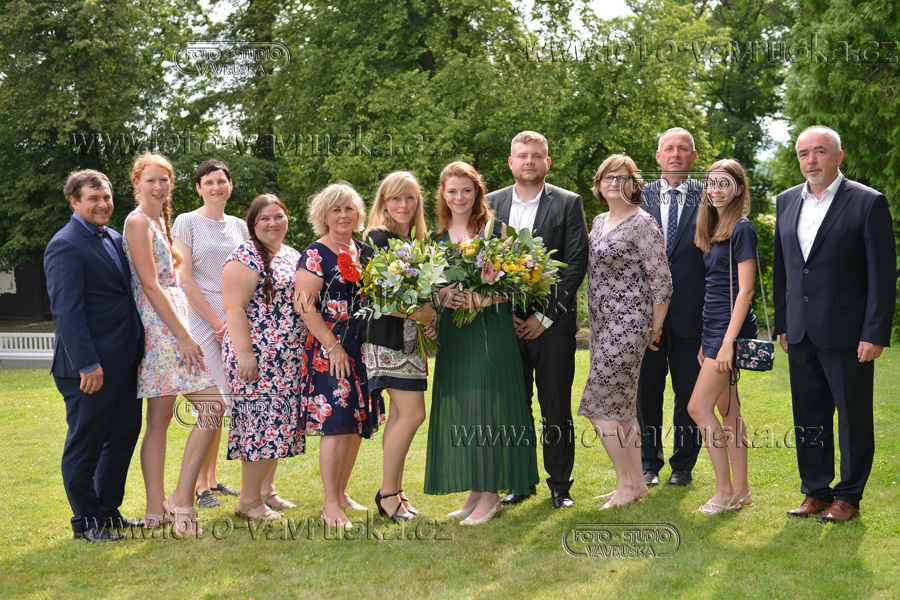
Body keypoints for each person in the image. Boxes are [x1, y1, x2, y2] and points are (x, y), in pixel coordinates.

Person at [774, 125, 896, 522]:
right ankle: (816, 491)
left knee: (853, 416)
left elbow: (882, 274)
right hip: (800, 331)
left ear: (838, 156)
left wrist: (874, 332)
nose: (811, 160)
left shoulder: (867, 202)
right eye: (803, 153)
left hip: (848, 331)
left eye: (820, 152)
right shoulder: (786, 201)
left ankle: (849, 496)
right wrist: (783, 323)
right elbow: (783, 269)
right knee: (808, 415)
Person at [424, 161, 539, 525]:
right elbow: (430, 287)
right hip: (455, 335)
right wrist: (442, 297)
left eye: (466, 190)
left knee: (483, 411)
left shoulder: (496, 231)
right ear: (443, 195)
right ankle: (477, 489)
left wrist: (483, 299)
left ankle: (491, 496)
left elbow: (518, 282)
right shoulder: (436, 239)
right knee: (464, 409)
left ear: (477, 193)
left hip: (489, 333)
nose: (459, 197)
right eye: (452, 191)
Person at [123, 152, 226, 535]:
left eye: (163, 180)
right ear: (137, 183)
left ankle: (160, 509)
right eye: (150, 180)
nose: (158, 186)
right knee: (211, 406)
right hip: (162, 330)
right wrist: (184, 336)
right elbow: (150, 286)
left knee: (161, 419)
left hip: (170, 322)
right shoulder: (138, 222)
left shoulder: (159, 221)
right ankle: (179, 502)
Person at [486, 131, 588, 508]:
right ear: (511, 162)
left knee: (555, 406)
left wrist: (544, 316)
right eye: (522, 155)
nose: (529, 161)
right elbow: (482, 260)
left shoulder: (568, 202)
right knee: (513, 406)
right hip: (504, 322)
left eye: (536, 155)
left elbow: (575, 264)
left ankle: (560, 486)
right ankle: (520, 481)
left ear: (547, 162)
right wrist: (503, 310)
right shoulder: (491, 203)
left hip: (553, 326)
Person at [44, 170, 145, 542]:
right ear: (75, 202)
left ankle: (107, 511)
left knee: (122, 436)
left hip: (124, 363)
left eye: (107, 197)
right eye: (93, 199)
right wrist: (87, 363)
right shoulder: (65, 244)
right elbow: (67, 312)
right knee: (85, 443)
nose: (103, 204)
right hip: (88, 368)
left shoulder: (115, 238)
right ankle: (85, 522)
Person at [579, 154, 672, 508]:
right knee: (622, 408)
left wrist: (654, 328)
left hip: (630, 324)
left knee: (598, 406)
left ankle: (624, 485)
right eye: (608, 177)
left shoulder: (642, 223)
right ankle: (637, 484)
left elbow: (662, 281)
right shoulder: (599, 221)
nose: (614, 183)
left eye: (623, 178)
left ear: (634, 185)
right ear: (599, 184)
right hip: (602, 325)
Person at [296, 182, 384, 528]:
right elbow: (304, 306)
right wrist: (333, 347)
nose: (344, 215)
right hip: (330, 349)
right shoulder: (315, 254)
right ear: (324, 215)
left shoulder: (365, 251)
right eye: (336, 209)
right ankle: (330, 503)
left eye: (349, 208)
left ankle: (342, 492)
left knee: (354, 424)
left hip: (362, 348)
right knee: (335, 425)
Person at [222, 194, 306, 521]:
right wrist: (245, 355)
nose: (273, 223)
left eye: (278, 216)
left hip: (286, 358)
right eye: (264, 219)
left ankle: (266, 491)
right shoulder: (245, 256)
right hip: (256, 357)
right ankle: (248, 502)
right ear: (253, 225)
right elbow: (234, 308)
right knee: (261, 426)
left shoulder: (292, 254)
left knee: (278, 425)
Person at [360, 171, 436, 521]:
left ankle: (396, 492)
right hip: (387, 339)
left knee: (402, 416)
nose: (403, 205)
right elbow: (375, 296)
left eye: (409, 198)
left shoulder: (416, 240)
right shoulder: (377, 238)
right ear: (384, 202)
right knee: (413, 414)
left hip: (410, 340)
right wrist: (419, 313)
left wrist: (428, 319)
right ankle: (388, 493)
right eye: (395, 198)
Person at [173, 159, 248, 508]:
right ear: (198, 188)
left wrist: (236, 320)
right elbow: (184, 278)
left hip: (234, 317)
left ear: (230, 185)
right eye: (209, 182)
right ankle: (199, 487)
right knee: (211, 400)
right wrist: (216, 322)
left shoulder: (240, 226)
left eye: (222, 181)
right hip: (202, 319)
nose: (216, 187)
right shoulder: (186, 222)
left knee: (224, 400)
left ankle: (213, 479)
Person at [687, 159, 758, 514]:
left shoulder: (742, 229)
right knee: (728, 413)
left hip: (729, 332)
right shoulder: (714, 228)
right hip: (715, 331)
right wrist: (707, 338)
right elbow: (716, 288)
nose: (715, 190)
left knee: (697, 407)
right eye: (711, 183)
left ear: (739, 189)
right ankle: (741, 492)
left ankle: (723, 491)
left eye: (724, 184)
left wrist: (727, 342)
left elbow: (745, 291)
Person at [637, 127, 706, 487]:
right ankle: (649, 463)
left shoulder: (709, 197)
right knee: (647, 393)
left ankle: (683, 465)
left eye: (683, 149)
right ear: (658, 156)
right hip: (645, 316)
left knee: (688, 394)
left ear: (693, 156)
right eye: (669, 148)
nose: (676, 154)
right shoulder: (638, 197)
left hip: (693, 316)